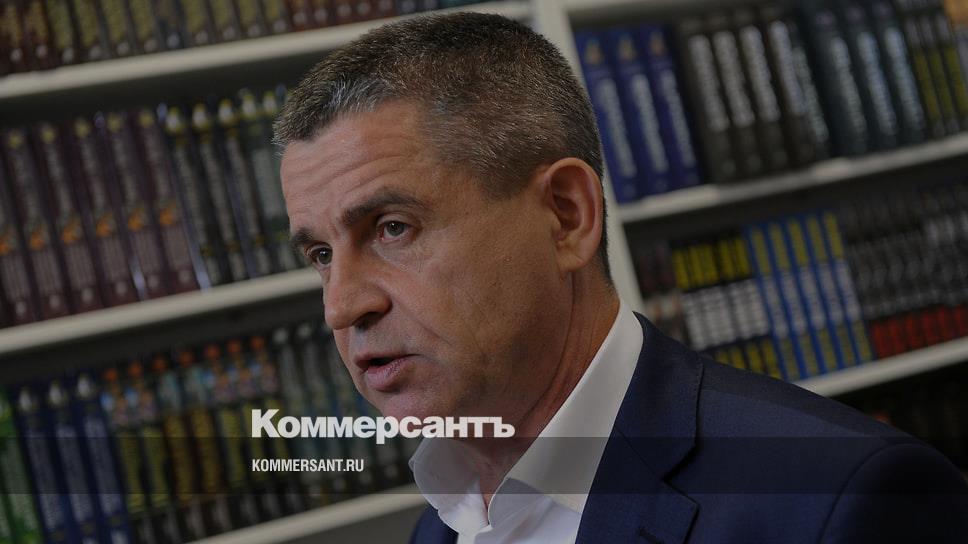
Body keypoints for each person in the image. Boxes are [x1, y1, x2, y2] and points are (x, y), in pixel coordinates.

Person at [273, 12, 968, 544]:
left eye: (392, 228)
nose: (342, 307)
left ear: (567, 217)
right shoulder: (442, 526)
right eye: (321, 255)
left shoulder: (841, 502)